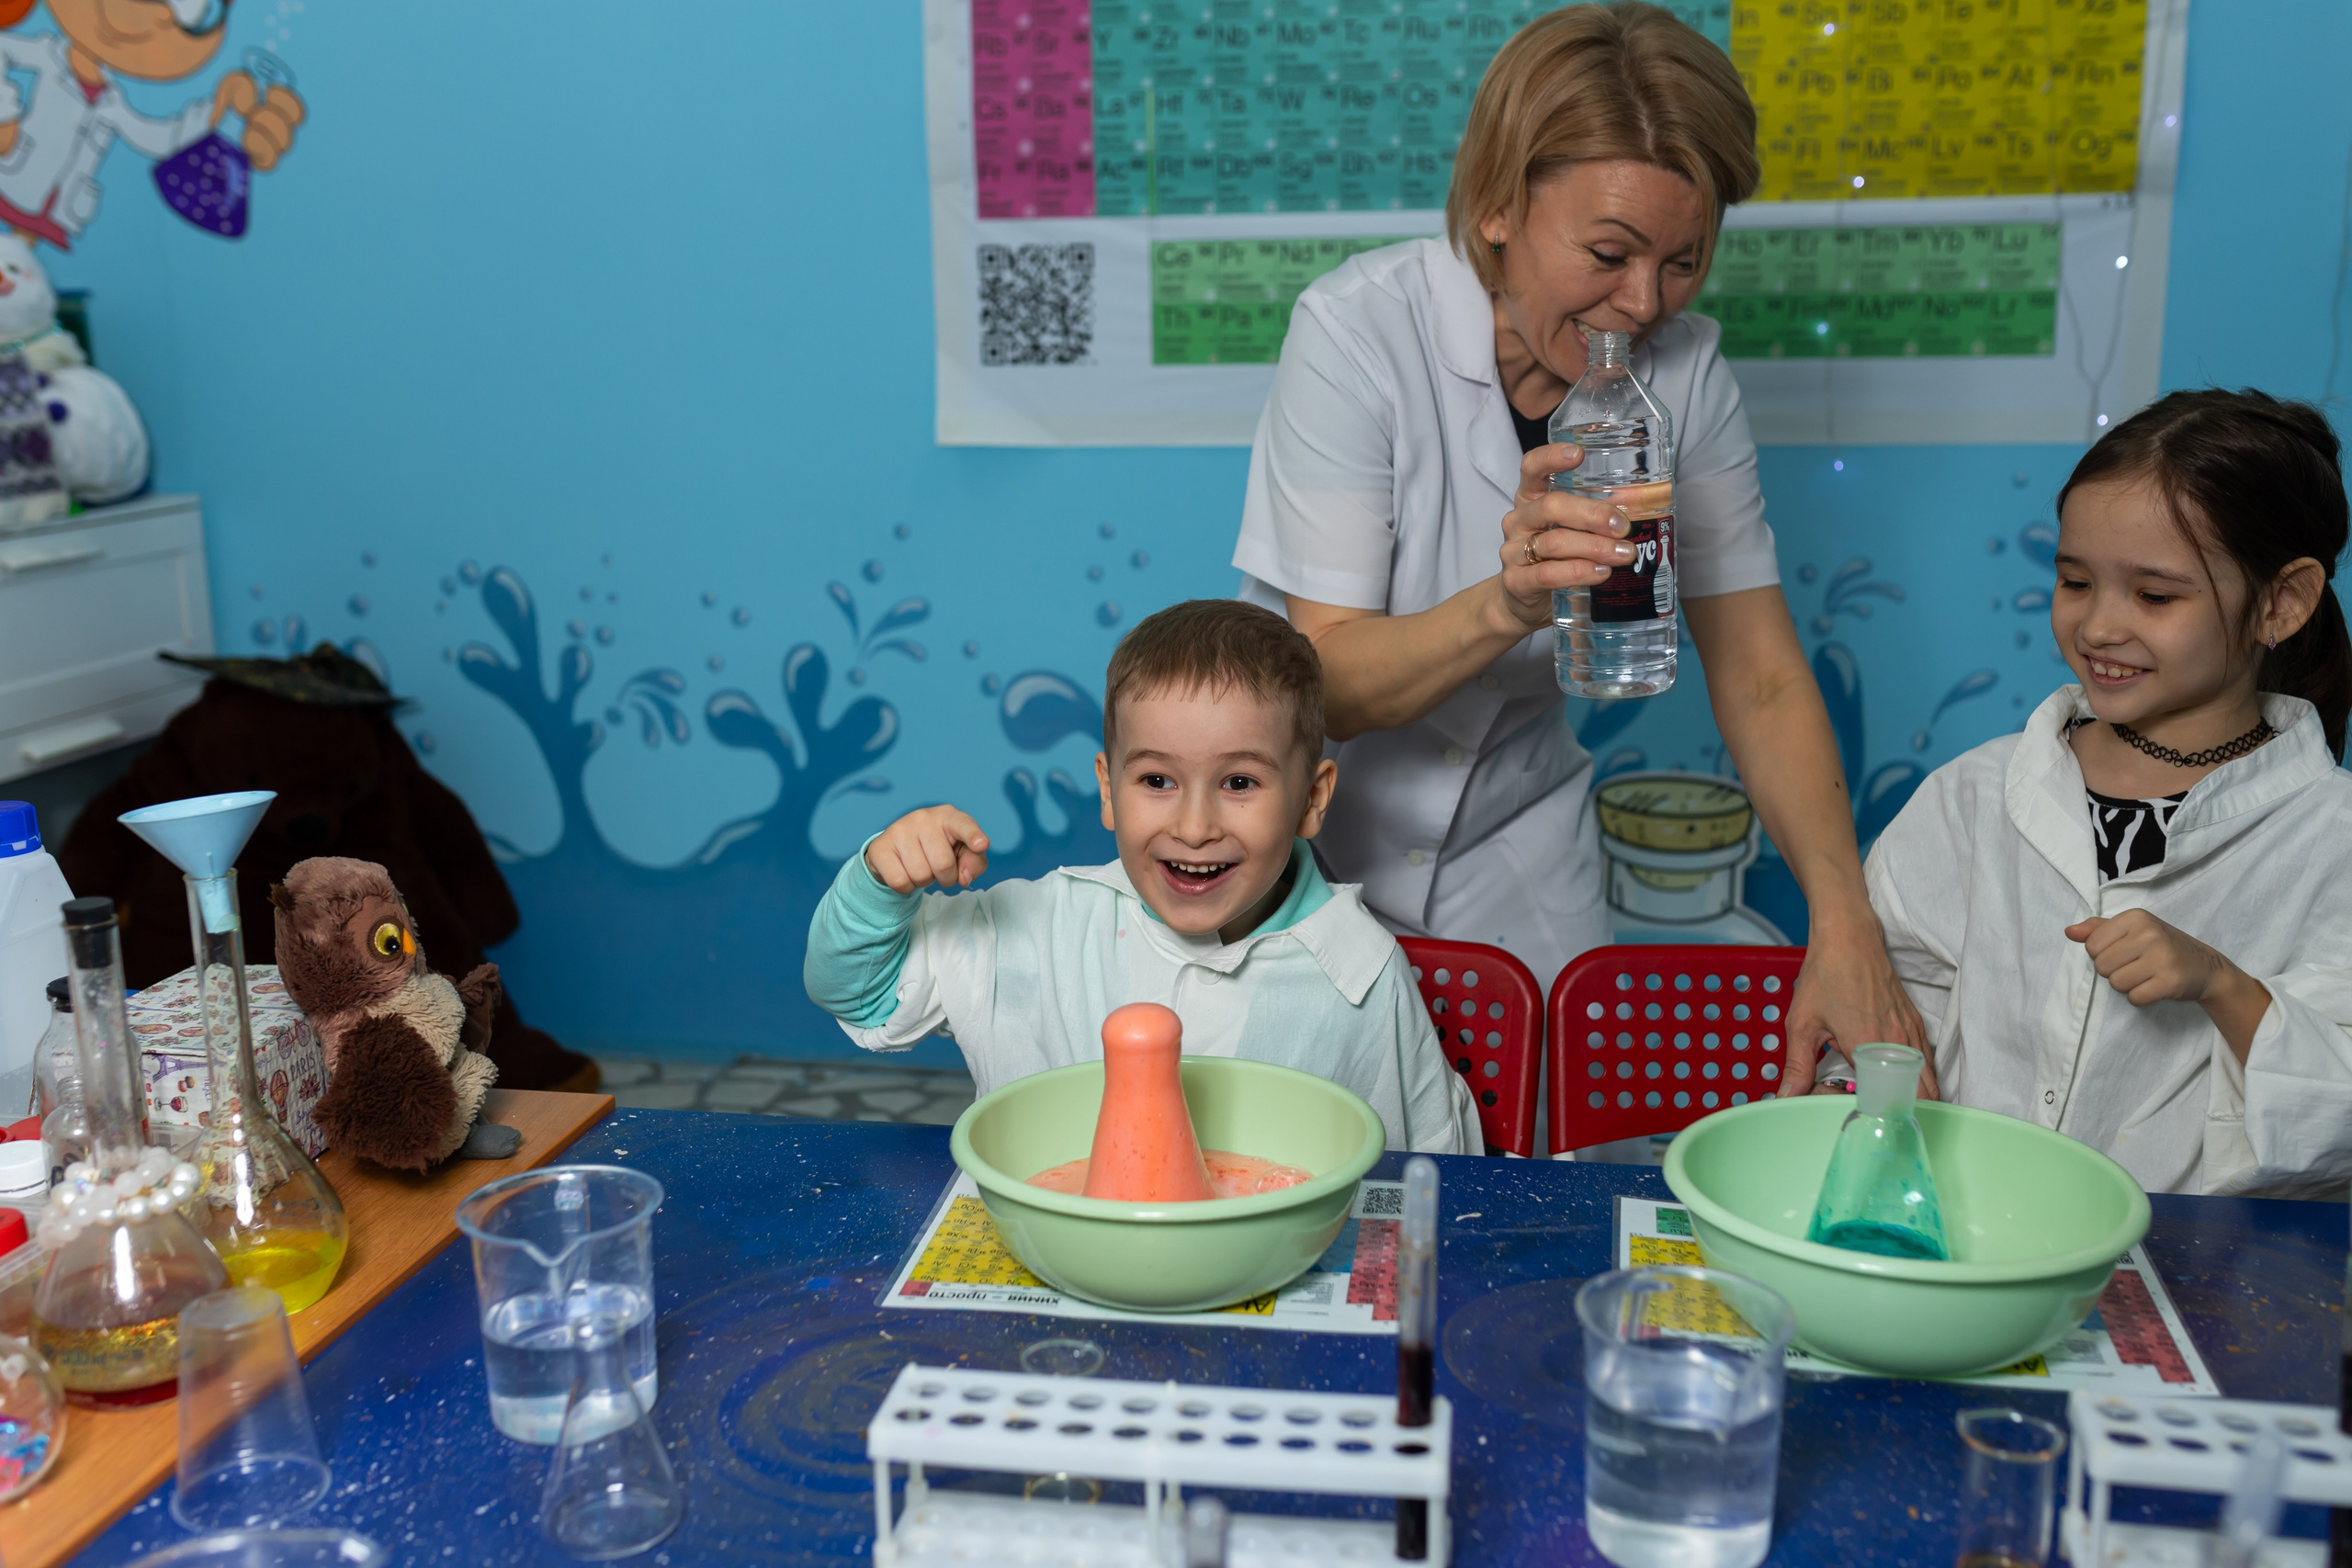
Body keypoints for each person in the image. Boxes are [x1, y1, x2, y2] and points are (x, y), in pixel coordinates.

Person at [1230, 2, 1924, 1105]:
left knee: (1545, 1169)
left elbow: (1757, 673)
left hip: (1520, 851)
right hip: (1314, 844)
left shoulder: (1685, 374)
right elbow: (1326, 685)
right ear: (1498, 206)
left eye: (1683, 261)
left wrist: (1844, 924)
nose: (1642, 304)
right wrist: (1508, 603)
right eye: (1607, 254)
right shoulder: (1356, 334)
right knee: (1315, 1149)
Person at [1847, 389, 2352, 1197]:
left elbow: (2338, 1116)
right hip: (1968, 1232)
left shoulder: (2332, 838)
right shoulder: (1975, 794)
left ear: (2281, 602)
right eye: (2076, 580)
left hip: (2194, 1260)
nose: (2098, 627)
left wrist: (2221, 983)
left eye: (2155, 595)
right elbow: (1886, 1008)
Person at [803, 599, 1480, 1155]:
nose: (1194, 826)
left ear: (1311, 798)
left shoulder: (1359, 974)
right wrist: (878, 881)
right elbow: (857, 995)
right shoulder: (1038, 928)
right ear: (1108, 789)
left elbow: (1429, 1183)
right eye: (1157, 780)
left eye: (1239, 782)